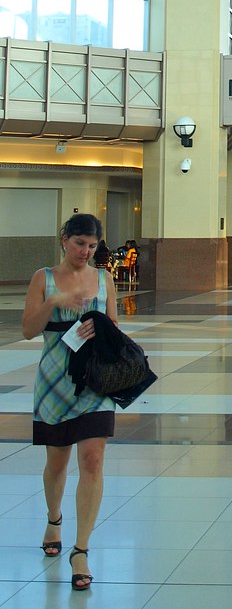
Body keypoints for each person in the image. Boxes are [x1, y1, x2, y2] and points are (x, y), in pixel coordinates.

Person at [21, 212, 118, 591]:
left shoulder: (104, 278)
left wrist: (102, 327)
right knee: (57, 461)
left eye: (92, 246)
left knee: (92, 458)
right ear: (65, 240)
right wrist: (56, 300)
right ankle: (54, 518)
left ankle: (81, 551)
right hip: (54, 379)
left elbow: (114, 325)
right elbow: (29, 329)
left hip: (94, 379)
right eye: (80, 244)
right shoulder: (42, 278)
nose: (85, 252)